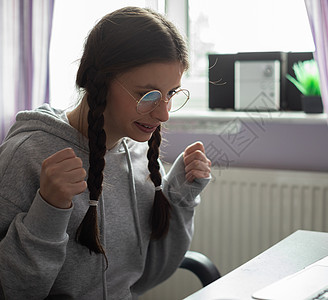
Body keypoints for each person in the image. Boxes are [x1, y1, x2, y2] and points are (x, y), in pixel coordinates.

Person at [0, 6, 211, 299]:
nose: (164, 113)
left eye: (171, 94)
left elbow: (147, 276)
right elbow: (10, 289)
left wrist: (179, 198)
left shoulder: (140, 159)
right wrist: (49, 209)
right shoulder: (26, 155)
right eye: (146, 95)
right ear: (100, 82)